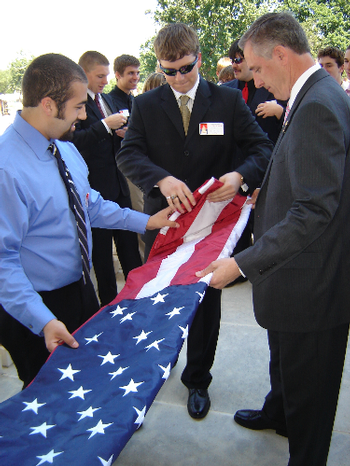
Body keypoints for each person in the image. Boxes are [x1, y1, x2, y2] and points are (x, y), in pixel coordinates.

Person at [197, 12, 350, 465]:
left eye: (258, 69)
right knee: (287, 370)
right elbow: (312, 179)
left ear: (280, 55)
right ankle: (278, 411)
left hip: (312, 285)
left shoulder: (318, 104)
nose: (257, 81)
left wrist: (241, 264)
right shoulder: (314, 95)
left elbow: (313, 211)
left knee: (311, 399)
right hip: (295, 279)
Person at [117, 23, 273, 420]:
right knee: (158, 299)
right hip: (168, 225)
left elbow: (262, 149)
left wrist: (239, 177)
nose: (179, 78)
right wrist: (161, 177)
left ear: (199, 58)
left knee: (205, 306)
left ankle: (198, 378)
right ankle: (154, 367)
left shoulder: (226, 101)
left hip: (211, 229)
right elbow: (128, 155)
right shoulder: (147, 105)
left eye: (186, 68)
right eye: (169, 71)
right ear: (160, 66)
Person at [0, 53, 178, 389]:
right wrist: (43, 321)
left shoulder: (64, 149)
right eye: (79, 106)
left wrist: (146, 222)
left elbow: (89, 205)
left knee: (88, 380)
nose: (85, 115)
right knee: (48, 397)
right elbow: (2, 262)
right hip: (33, 306)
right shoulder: (7, 169)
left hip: (79, 289)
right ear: (50, 105)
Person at [73, 51, 142, 306]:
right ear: (84, 75)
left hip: (119, 186)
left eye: (105, 75)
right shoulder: (78, 106)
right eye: (99, 76)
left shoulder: (107, 101)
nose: (104, 80)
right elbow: (76, 141)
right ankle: (110, 309)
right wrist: (105, 126)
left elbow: (110, 137)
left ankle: (138, 299)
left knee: (130, 252)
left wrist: (120, 132)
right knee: (103, 260)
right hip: (96, 192)